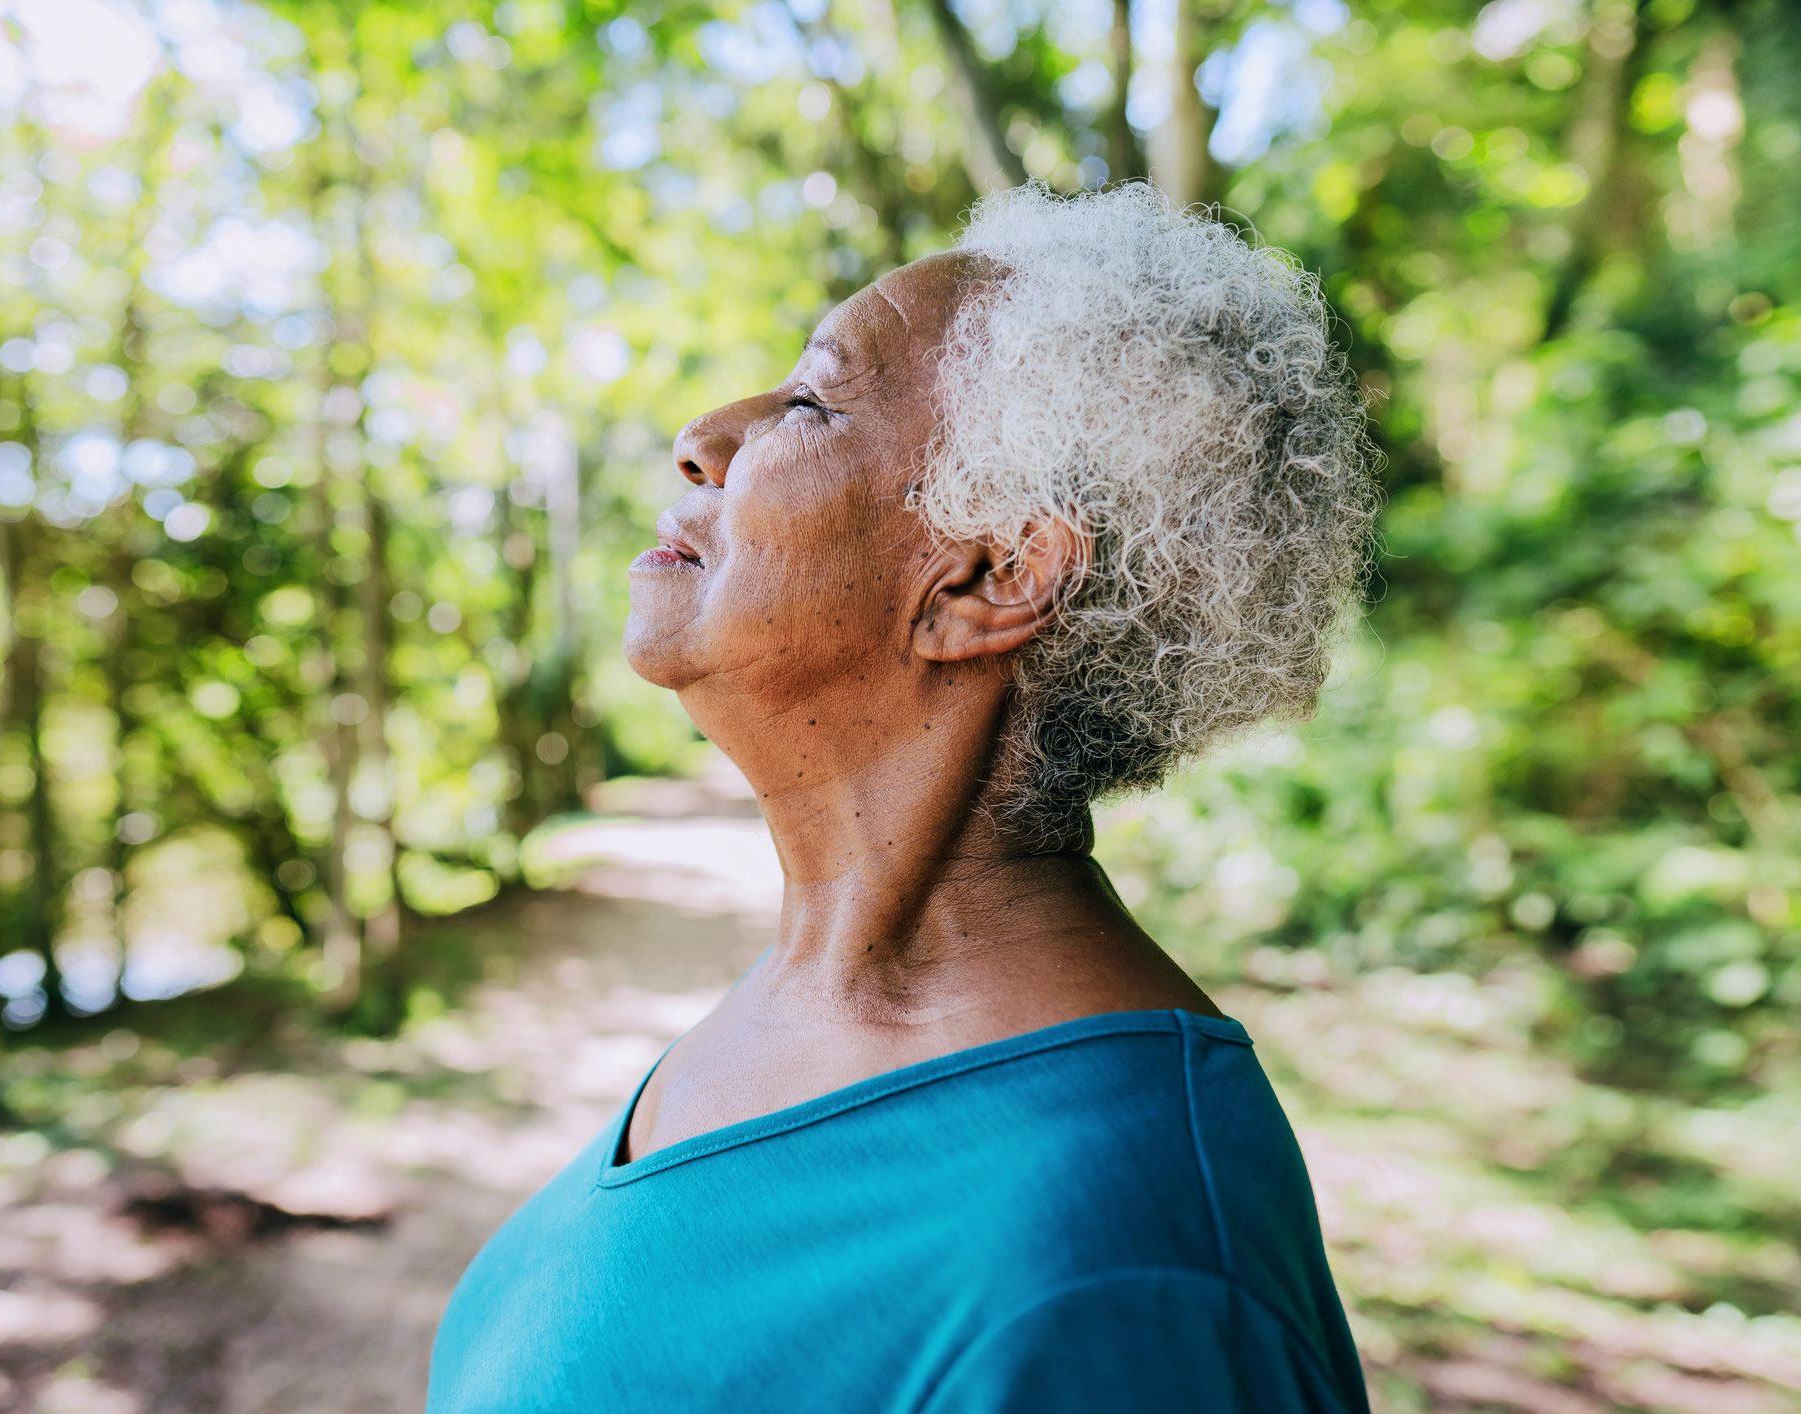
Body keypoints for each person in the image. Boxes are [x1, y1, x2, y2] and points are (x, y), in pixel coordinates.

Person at [428, 181, 1379, 1412]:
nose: (705, 433)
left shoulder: (1122, 1274)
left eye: (812, 401)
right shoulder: (805, 994)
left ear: (986, 575)